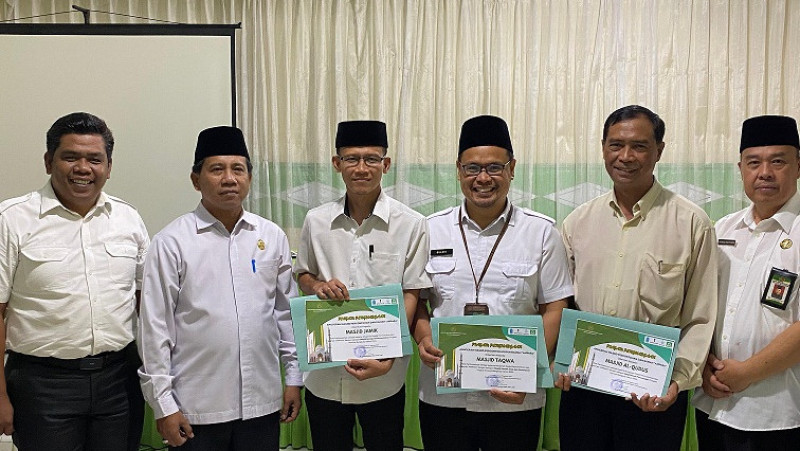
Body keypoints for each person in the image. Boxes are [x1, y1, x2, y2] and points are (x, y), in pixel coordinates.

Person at [556, 105, 718, 450]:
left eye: (639, 146)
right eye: (615, 145)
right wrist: (558, 358)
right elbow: (563, 302)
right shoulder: (577, 222)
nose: (625, 156)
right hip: (584, 388)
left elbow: (700, 315)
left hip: (652, 392)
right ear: (603, 148)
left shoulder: (691, 223)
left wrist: (677, 381)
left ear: (659, 150)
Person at [413, 115, 573, 450]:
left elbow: (555, 306)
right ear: (458, 170)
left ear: (512, 169)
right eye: (472, 168)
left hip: (514, 397)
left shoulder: (541, 232)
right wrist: (424, 338)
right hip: (445, 393)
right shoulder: (429, 230)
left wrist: (529, 370)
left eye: (494, 167)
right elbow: (419, 300)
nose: (483, 178)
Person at [137, 126, 301, 450]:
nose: (229, 179)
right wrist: (163, 404)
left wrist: (293, 377)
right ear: (196, 180)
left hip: (262, 403)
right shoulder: (172, 243)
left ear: (250, 178)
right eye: (217, 169)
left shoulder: (270, 236)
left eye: (238, 169)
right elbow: (154, 329)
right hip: (195, 408)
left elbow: (286, 314)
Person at [0, 112, 149, 450]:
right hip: (42, 386)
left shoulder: (128, 219)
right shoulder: (12, 220)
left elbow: (147, 303)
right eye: (70, 157)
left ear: (108, 167)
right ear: (49, 161)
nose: (83, 168)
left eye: (94, 159)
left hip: (118, 381)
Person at [294, 120, 430, 451]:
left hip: (384, 377)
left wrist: (390, 353)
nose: (361, 168)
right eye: (352, 158)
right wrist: (317, 286)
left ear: (386, 164)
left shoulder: (411, 224)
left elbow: (412, 291)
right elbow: (302, 274)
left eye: (371, 159)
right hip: (325, 373)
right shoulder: (316, 220)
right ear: (336, 164)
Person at [693, 115, 800, 450]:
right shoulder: (721, 229)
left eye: (778, 161)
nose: (764, 172)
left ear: (798, 166)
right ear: (740, 168)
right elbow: (700, 305)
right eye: (754, 162)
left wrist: (747, 373)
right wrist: (705, 366)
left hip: (778, 412)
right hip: (712, 403)